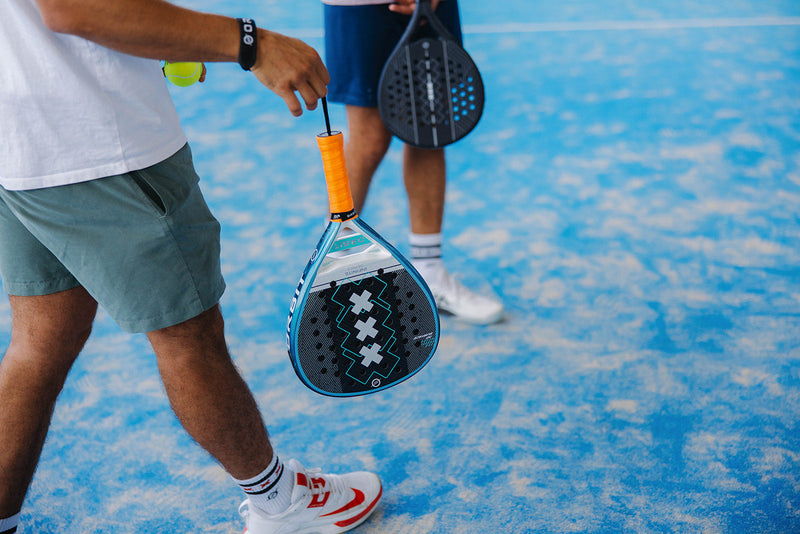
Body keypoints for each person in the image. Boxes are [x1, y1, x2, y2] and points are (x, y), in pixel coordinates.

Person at [0, 1, 382, 533]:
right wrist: (250, 43)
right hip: (97, 141)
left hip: (17, 139)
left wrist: (163, 36)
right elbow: (76, 8)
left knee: (40, 341)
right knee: (190, 336)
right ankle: (279, 505)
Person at [322, 0, 504, 325]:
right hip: (359, 7)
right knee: (369, 138)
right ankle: (337, 275)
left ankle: (429, 273)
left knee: (429, 127)